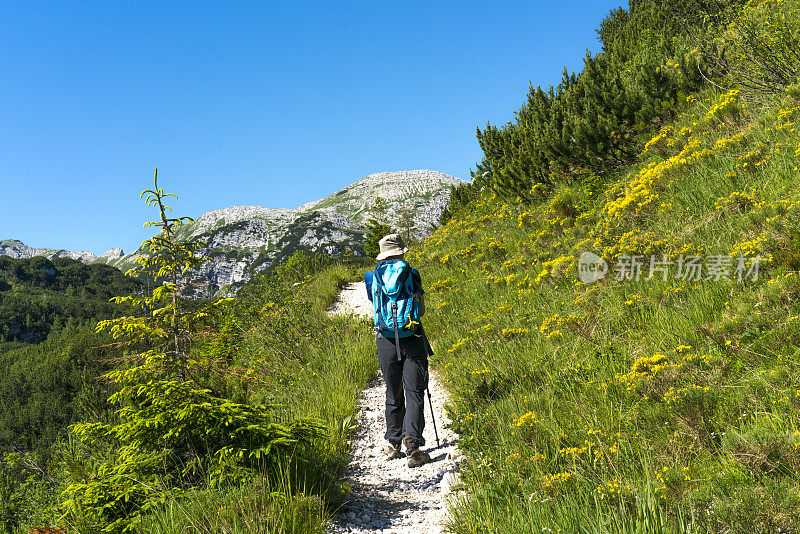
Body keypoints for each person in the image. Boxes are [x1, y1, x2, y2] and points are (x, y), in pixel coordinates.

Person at [365, 233, 434, 468]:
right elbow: (421, 311)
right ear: (402, 252)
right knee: (414, 391)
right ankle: (413, 448)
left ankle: (392, 443)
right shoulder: (412, 273)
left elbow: (376, 308)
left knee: (393, 390)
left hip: (385, 340)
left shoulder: (370, 276)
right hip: (412, 337)